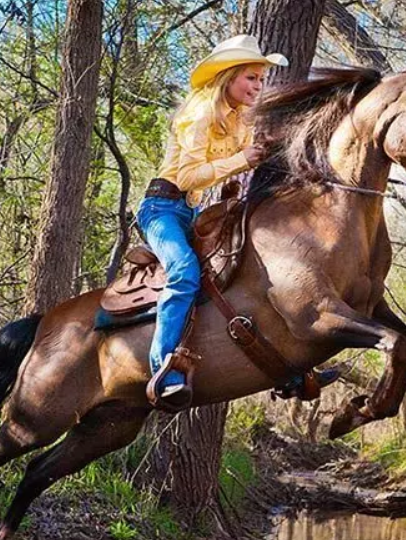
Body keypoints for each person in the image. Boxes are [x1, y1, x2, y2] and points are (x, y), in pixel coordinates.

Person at [137, 35, 287, 410]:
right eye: (251, 78)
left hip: (191, 211)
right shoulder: (201, 112)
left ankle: (291, 370)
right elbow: (187, 177)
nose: (257, 86)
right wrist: (241, 161)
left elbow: (246, 158)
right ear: (229, 77)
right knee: (185, 271)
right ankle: (164, 370)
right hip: (161, 208)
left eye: (260, 79)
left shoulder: (238, 119)